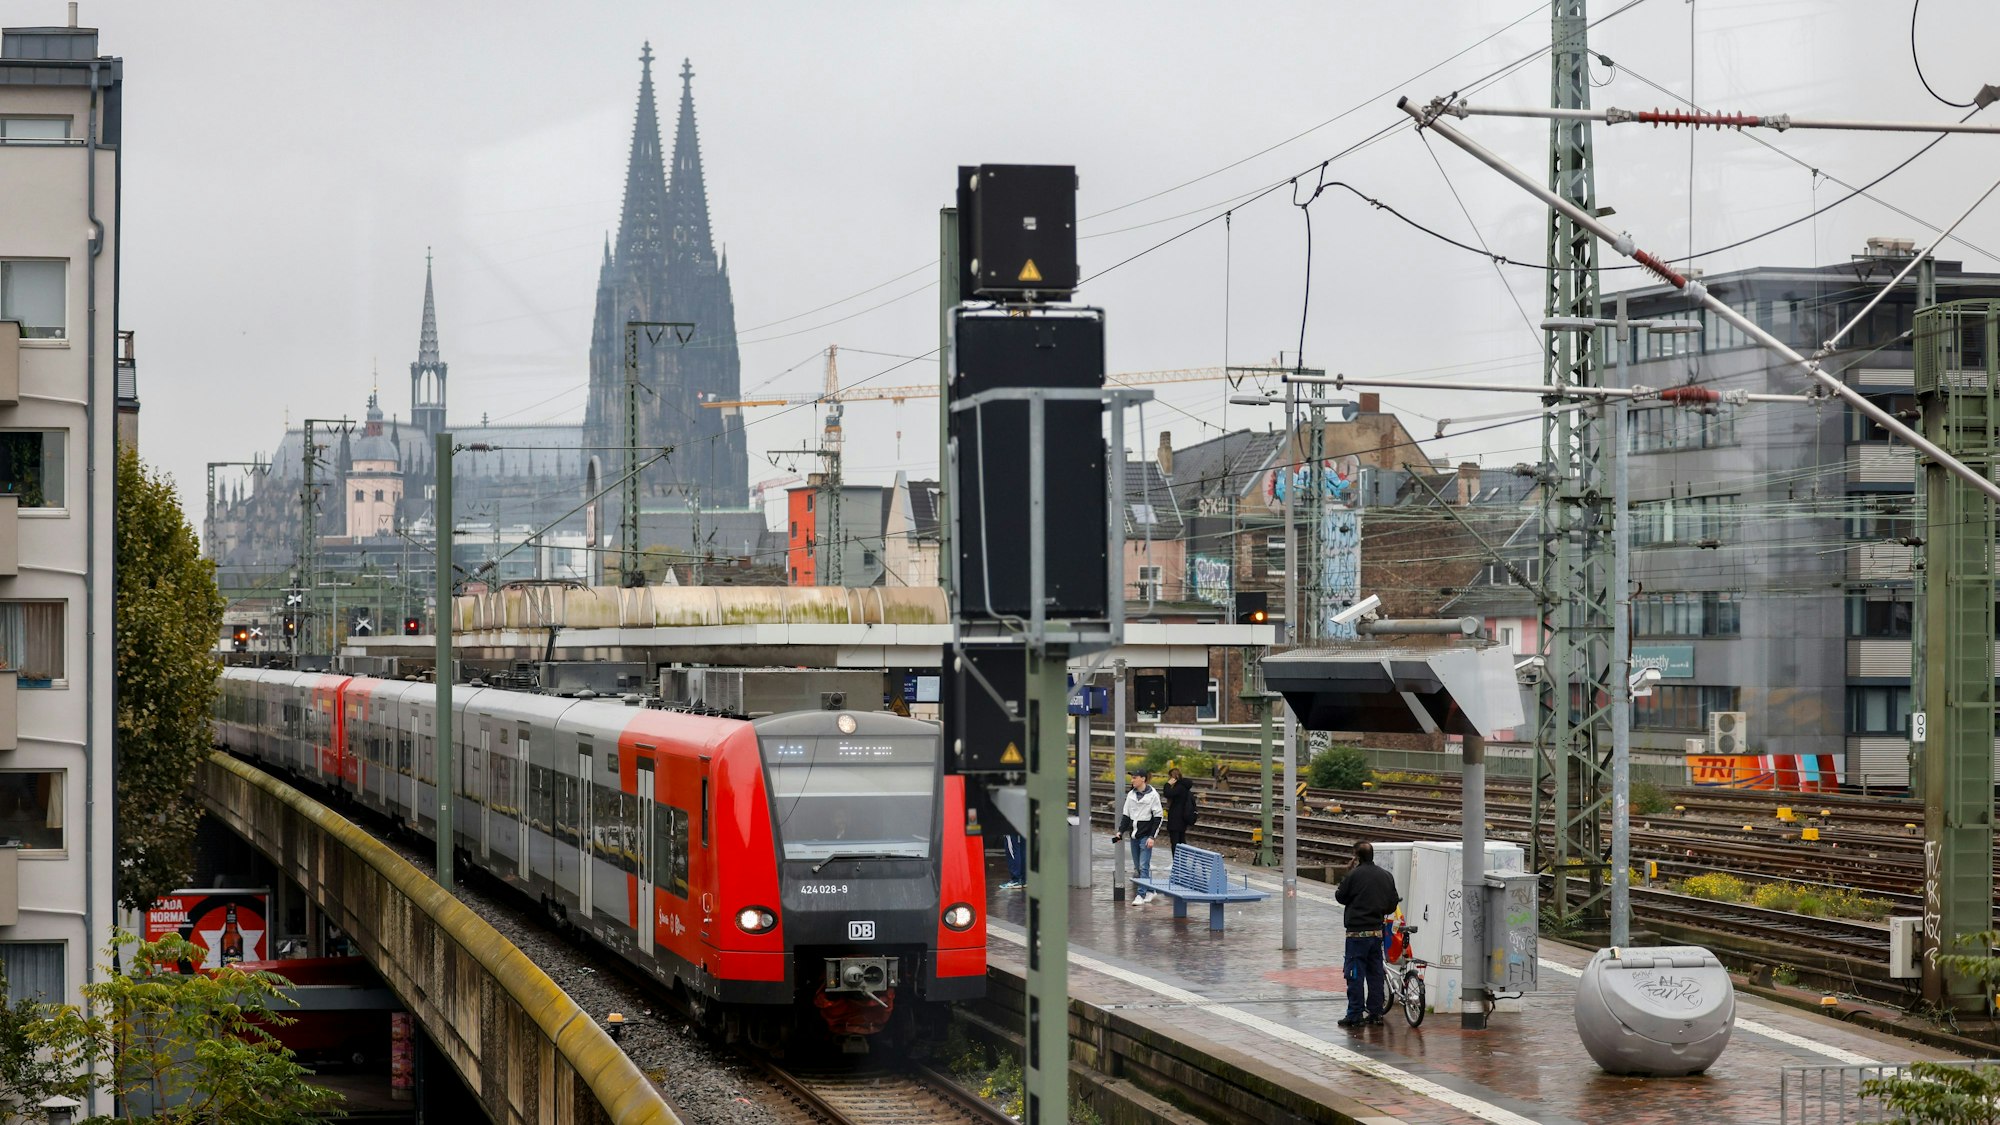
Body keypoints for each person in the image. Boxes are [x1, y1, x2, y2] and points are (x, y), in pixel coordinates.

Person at [1333, 841, 1401, 1028]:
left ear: (1357, 857)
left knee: (1354, 973)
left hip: (1356, 934)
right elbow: (1392, 903)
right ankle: (1376, 1013)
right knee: (1375, 974)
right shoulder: (1386, 876)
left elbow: (1340, 896)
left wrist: (1347, 874)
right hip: (1377, 932)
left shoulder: (1354, 875)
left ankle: (1355, 1014)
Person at [1112, 771, 1165, 904]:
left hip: (1146, 836)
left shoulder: (1153, 795)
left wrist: (1152, 837)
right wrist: (1120, 832)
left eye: (1134, 778)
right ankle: (1150, 891)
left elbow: (1158, 817)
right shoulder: (1131, 795)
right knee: (1138, 867)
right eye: (1131, 778)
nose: (1132, 780)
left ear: (1143, 779)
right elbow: (1126, 816)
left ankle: (1140, 895)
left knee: (1143, 866)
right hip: (1134, 836)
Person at [1161, 766, 1195, 850]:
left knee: (1175, 842)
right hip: (1183, 818)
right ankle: (1181, 861)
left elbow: (1167, 793)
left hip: (1176, 819)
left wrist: (1168, 784)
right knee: (1181, 840)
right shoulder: (1185, 787)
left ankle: (1177, 862)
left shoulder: (1179, 788)